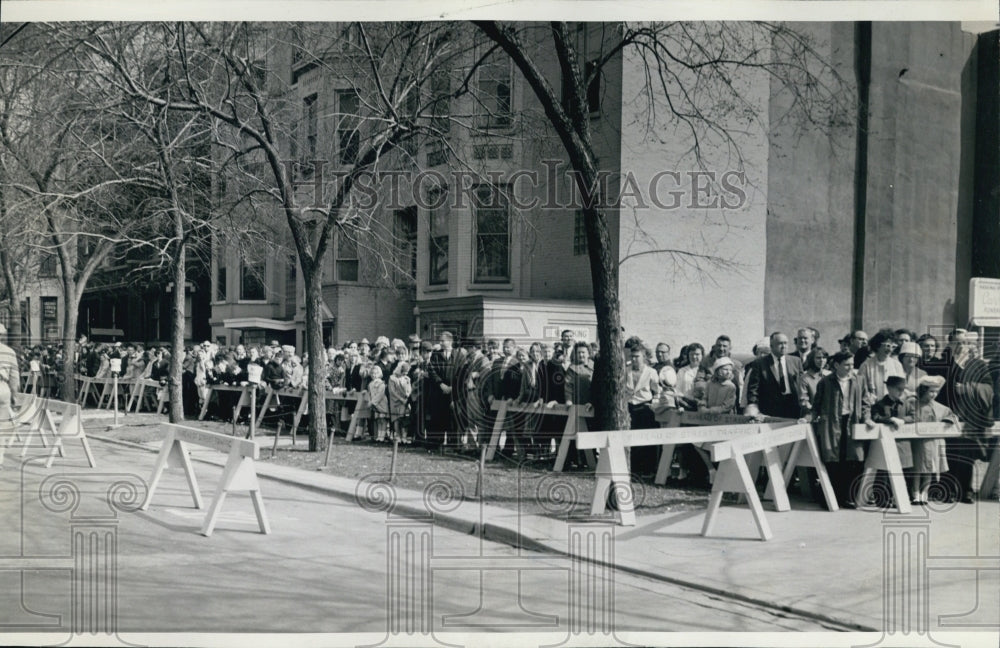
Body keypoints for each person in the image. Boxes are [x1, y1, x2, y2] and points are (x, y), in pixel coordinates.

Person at [935, 329, 994, 503]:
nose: (962, 346)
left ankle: (966, 490)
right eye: (957, 342)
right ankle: (946, 490)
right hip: (946, 414)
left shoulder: (978, 364)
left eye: (965, 342)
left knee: (966, 454)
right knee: (948, 453)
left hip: (969, 417)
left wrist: (968, 388)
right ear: (950, 344)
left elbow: (989, 389)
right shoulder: (943, 363)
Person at [810, 351, 871, 508]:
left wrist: (867, 419)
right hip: (832, 424)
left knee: (852, 461)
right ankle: (831, 497)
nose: (850, 368)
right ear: (836, 365)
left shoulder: (859, 380)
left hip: (853, 423)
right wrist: (809, 418)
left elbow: (865, 403)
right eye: (846, 365)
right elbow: (816, 405)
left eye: (852, 364)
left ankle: (847, 497)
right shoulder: (825, 382)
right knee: (833, 461)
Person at [907, 375, 956, 504]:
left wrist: (948, 420)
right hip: (918, 443)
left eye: (936, 392)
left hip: (934, 442)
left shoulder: (940, 407)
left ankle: (925, 493)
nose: (934, 394)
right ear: (924, 390)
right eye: (931, 391)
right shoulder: (914, 404)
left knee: (929, 470)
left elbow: (951, 415)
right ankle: (915, 492)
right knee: (918, 469)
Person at [870, 375, 915, 504]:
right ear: (889, 388)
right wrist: (889, 420)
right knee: (884, 470)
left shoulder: (906, 404)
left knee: (903, 471)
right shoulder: (880, 404)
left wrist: (903, 420)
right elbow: (875, 417)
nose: (901, 392)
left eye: (903, 389)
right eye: (898, 389)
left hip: (903, 444)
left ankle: (899, 498)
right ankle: (883, 498)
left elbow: (914, 416)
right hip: (886, 444)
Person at [745, 332, 809, 420]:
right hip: (770, 409)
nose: (784, 346)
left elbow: (802, 384)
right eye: (780, 343)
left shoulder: (796, 361)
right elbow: (753, 389)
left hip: (793, 407)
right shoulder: (760, 363)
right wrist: (753, 405)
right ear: (771, 346)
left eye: (785, 343)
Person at [858, 329, 904, 407]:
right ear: (877, 346)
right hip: (872, 406)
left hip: (892, 407)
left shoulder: (897, 365)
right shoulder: (866, 365)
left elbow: (901, 387)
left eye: (893, 346)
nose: (890, 349)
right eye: (887, 346)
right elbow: (860, 389)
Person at [675, 343, 706, 409]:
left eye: (697, 354)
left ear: (702, 355)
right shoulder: (682, 371)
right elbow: (677, 390)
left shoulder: (706, 371)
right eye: (691, 354)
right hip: (685, 405)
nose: (694, 357)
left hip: (702, 407)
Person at [0, 323, 20, 420]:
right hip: (3, 387)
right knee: (3, 423)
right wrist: (14, 397)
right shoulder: (10, 352)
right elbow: (14, 379)